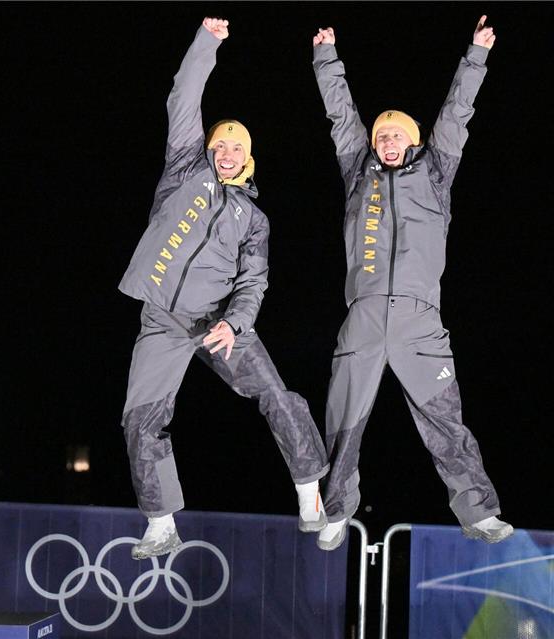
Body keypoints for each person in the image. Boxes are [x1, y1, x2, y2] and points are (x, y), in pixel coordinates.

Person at [118, 17, 330, 560]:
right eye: (220, 143)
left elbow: (254, 281)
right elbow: (183, 98)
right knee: (141, 417)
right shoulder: (183, 171)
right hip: (164, 318)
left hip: (219, 322)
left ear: (248, 156)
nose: (226, 151)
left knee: (276, 394)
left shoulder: (253, 219)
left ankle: (310, 493)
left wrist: (234, 324)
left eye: (236, 147)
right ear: (209, 149)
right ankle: (161, 523)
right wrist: (207, 42)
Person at [311, 16, 512, 550]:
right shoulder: (359, 170)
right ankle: (335, 510)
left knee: (446, 420)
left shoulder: (436, 172)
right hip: (365, 313)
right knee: (344, 422)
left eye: (397, 134)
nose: (388, 140)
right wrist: (326, 59)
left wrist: (475, 56)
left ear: (414, 141)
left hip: (421, 319)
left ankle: (479, 511)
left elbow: (456, 116)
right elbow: (341, 117)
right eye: (382, 135)